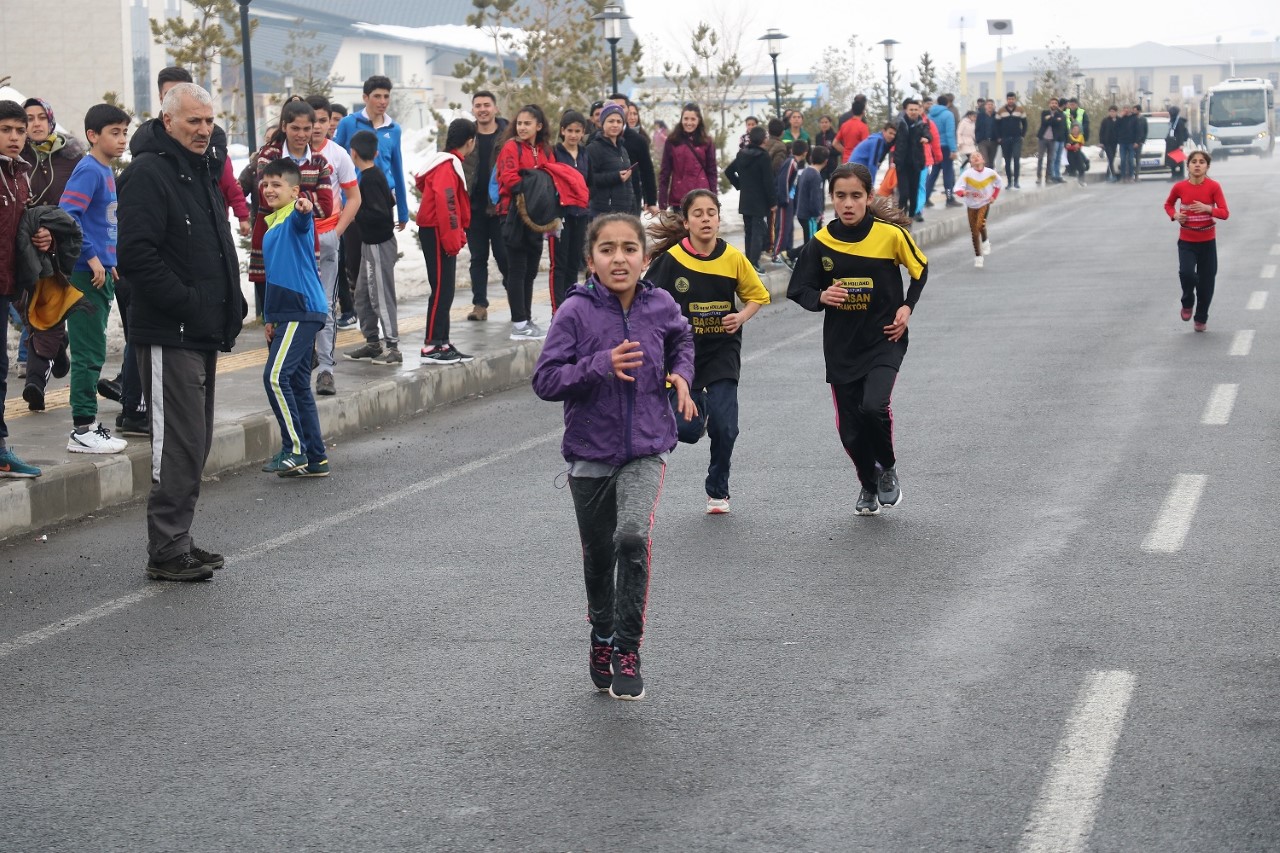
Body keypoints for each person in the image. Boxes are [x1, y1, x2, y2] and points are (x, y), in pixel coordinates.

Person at [531, 213, 696, 700]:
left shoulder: (661, 303)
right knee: (600, 557)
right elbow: (546, 380)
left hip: (647, 446)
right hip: (589, 454)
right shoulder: (575, 312)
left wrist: (682, 373)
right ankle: (601, 636)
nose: (619, 257)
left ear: (645, 259)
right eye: (608, 249)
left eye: (629, 248)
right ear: (591, 260)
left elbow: (683, 337)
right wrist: (600, 365)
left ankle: (627, 645)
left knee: (631, 536)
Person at [117, 83, 246, 581]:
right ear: (167, 121)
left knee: (195, 440)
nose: (204, 129)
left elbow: (212, 246)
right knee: (177, 442)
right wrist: (189, 303)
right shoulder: (148, 173)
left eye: (209, 120)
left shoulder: (199, 169)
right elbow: (136, 256)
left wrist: (226, 306)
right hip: (170, 331)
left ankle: (179, 540)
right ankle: (167, 548)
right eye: (193, 120)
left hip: (202, 330)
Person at [785, 163, 928, 516]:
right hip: (841, 347)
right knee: (850, 429)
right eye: (840, 197)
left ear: (868, 197)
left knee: (873, 406)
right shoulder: (821, 242)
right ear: (831, 199)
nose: (847, 204)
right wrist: (820, 297)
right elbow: (798, 287)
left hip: (884, 338)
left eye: (855, 196)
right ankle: (868, 483)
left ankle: (888, 468)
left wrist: (907, 308)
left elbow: (920, 268)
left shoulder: (890, 235)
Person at [647, 190, 770, 514]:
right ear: (686, 221)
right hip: (681, 356)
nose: (705, 218)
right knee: (686, 430)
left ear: (718, 218)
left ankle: (718, 489)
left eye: (711, 212)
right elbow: (645, 301)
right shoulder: (671, 260)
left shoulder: (733, 257)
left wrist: (741, 315)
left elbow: (758, 295)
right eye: (698, 213)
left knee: (725, 426)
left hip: (721, 351)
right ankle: (697, 402)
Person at [56, 103, 132, 453]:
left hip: (100, 271)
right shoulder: (89, 170)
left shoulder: (103, 170)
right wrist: (91, 256)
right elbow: (67, 216)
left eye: (124, 132)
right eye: (114, 133)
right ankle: (82, 429)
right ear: (92, 136)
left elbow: (101, 224)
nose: (121, 139)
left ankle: (87, 426)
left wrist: (109, 259)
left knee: (94, 349)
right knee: (88, 351)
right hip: (86, 274)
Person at [258, 158, 329, 478]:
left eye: (277, 184)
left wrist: (305, 207)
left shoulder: (295, 218)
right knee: (298, 384)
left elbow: (304, 218)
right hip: (287, 313)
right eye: (266, 183)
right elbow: (275, 276)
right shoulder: (273, 225)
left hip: (302, 310)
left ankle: (294, 449)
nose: (269, 189)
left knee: (275, 377)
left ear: (294, 190)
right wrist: (270, 319)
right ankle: (316, 458)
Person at [0, 100, 51, 479]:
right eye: (6, 130)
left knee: (0, 369)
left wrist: (43, 236)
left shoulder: (20, 175)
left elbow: (22, 228)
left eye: (20, 130)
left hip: (7, 287)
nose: (15, 137)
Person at [17, 97, 82, 392]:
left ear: (51, 120)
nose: (36, 123)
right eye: (29, 118)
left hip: (63, 248)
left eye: (41, 117)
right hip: (24, 246)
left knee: (44, 310)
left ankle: (34, 383)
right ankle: (57, 347)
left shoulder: (72, 157)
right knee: (31, 310)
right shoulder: (18, 159)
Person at [249, 99, 334, 323]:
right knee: (274, 321)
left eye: (307, 128)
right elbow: (266, 198)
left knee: (303, 315)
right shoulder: (269, 156)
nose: (301, 134)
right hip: (271, 246)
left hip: (303, 248)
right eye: (295, 128)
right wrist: (306, 197)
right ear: (284, 127)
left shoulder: (319, 162)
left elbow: (325, 206)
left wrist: (287, 194)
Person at [305, 95, 361, 398]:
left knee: (325, 307)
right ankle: (301, 364)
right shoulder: (290, 155)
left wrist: (337, 232)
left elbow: (355, 198)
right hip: (297, 245)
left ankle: (326, 370)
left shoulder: (338, 155)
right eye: (312, 121)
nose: (316, 127)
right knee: (299, 307)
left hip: (327, 241)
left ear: (331, 123)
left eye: (323, 121)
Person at [415, 118, 477, 365]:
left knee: (445, 288)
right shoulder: (447, 166)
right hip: (437, 230)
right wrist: (453, 238)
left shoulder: (446, 161)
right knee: (442, 288)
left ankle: (442, 340)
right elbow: (447, 202)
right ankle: (432, 345)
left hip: (436, 229)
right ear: (470, 142)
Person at [495, 104, 555, 342]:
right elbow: (509, 179)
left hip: (537, 219)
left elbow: (552, 175)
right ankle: (518, 322)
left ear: (539, 126)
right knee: (517, 269)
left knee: (531, 270)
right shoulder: (511, 147)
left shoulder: (545, 150)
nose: (522, 127)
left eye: (527, 123)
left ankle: (527, 318)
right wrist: (535, 185)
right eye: (519, 123)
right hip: (512, 215)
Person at [343, 130, 400, 363]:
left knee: (381, 296)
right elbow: (389, 202)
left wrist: (355, 213)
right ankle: (372, 342)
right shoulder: (371, 176)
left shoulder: (370, 178)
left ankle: (393, 347)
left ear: (352, 153)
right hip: (369, 243)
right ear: (376, 153)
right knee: (363, 295)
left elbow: (378, 213)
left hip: (379, 244)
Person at [332, 75, 409, 233]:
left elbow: (397, 169)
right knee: (354, 255)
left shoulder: (394, 129)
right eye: (377, 96)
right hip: (352, 201)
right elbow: (334, 162)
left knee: (382, 253)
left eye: (386, 96)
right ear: (365, 97)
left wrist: (403, 211)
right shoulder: (348, 123)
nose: (383, 101)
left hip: (382, 203)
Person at [1163, 150, 1228, 332]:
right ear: (1188, 166)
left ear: (1207, 166)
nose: (1197, 165)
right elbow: (1168, 205)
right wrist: (1175, 215)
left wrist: (1208, 209)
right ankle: (1187, 301)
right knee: (1187, 274)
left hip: (1208, 243)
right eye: (1194, 162)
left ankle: (1200, 318)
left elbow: (1224, 213)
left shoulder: (1214, 187)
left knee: (1207, 283)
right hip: (1187, 241)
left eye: (1201, 162)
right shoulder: (1179, 187)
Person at [459, 91, 508, 322]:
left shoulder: (507, 134)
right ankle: (479, 304)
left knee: (504, 256)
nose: (482, 109)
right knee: (478, 258)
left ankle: (516, 299)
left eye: (487, 105)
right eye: (478, 105)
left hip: (499, 209)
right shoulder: (466, 135)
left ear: (495, 108)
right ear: (473, 110)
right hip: (474, 208)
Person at [551, 110, 590, 313]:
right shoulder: (555, 153)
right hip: (562, 214)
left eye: (577, 131)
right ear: (562, 131)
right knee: (560, 261)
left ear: (583, 132)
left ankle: (572, 301)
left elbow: (588, 181)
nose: (573, 135)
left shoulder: (584, 153)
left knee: (574, 260)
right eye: (570, 131)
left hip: (581, 213)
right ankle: (558, 306)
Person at [724, 125, 776, 275]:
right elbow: (768, 181)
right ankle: (754, 262)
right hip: (760, 201)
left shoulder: (742, 154)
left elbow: (729, 171)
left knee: (749, 231)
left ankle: (748, 261)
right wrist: (772, 202)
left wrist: (740, 185)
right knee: (758, 231)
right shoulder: (763, 156)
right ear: (763, 140)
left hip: (746, 199)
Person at [657, 102, 717, 211]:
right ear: (681, 120)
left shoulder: (707, 141)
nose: (689, 123)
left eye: (693, 119)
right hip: (679, 198)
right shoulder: (672, 141)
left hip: (702, 197)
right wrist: (662, 203)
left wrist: (714, 199)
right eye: (686, 119)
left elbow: (712, 172)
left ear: (699, 121)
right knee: (679, 228)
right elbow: (664, 173)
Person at [608, 93, 657, 216]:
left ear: (628, 109)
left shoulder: (638, 140)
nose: (617, 110)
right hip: (604, 201)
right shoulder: (596, 140)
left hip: (631, 199)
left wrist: (650, 201)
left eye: (621, 107)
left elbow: (647, 171)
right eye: (613, 106)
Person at [954, 150, 1003, 268]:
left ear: (983, 160)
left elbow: (999, 183)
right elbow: (957, 188)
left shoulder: (990, 173)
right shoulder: (967, 174)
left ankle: (985, 241)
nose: (975, 158)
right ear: (970, 162)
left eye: (978, 156)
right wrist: (963, 192)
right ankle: (978, 256)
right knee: (974, 232)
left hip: (984, 202)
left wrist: (993, 197)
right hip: (971, 205)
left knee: (979, 225)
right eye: (973, 157)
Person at [586, 102, 635, 219]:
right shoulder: (593, 148)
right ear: (603, 123)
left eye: (619, 121)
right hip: (602, 211)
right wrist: (616, 177)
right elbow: (590, 179)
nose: (615, 125)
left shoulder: (623, 149)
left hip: (624, 211)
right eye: (611, 121)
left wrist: (632, 204)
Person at [788, 145, 828, 264]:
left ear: (810, 157)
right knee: (812, 244)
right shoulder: (816, 176)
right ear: (826, 161)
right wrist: (818, 214)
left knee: (812, 242)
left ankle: (794, 258)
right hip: (810, 216)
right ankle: (789, 255)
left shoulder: (805, 171)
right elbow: (815, 199)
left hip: (802, 213)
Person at [772, 138, 806, 263]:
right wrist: (784, 199)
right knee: (782, 228)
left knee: (789, 228)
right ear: (805, 152)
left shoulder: (795, 163)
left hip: (790, 200)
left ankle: (787, 253)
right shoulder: (791, 162)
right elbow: (783, 181)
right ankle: (777, 254)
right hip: (785, 200)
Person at [894, 99, 929, 220]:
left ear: (919, 111)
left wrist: (926, 138)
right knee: (904, 194)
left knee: (914, 194)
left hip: (916, 163)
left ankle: (912, 216)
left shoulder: (921, 124)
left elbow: (928, 134)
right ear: (905, 110)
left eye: (916, 110)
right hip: (902, 164)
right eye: (911, 110)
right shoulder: (899, 123)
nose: (913, 112)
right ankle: (901, 217)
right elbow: (890, 139)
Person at [926, 94, 961, 207]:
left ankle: (925, 198)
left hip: (933, 146)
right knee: (948, 173)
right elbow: (950, 133)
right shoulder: (948, 114)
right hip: (945, 147)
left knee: (934, 173)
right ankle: (949, 198)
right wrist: (953, 149)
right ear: (948, 103)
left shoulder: (929, 115)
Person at [995, 92, 1026, 189]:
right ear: (1006, 99)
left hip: (1017, 138)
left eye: (1012, 99)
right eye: (1009, 99)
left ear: (1015, 99)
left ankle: (1016, 181)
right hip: (1005, 139)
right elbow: (996, 125)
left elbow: (1025, 124)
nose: (1011, 101)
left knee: (1016, 158)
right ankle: (1009, 182)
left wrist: (1022, 135)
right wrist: (999, 137)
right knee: (1007, 161)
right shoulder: (1001, 111)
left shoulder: (1020, 110)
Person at [1036, 97, 1066, 185]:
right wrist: (1053, 120)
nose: (1054, 105)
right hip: (1042, 138)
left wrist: (1051, 119)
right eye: (1052, 103)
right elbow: (1044, 122)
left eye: (1056, 103)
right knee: (1040, 158)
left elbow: (1057, 124)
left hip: (1053, 139)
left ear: (1057, 105)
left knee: (1050, 159)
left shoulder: (1060, 114)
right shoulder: (1044, 112)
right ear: (1049, 104)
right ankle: (1038, 177)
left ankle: (1048, 177)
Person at [832, 97, 869, 163]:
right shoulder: (863, 127)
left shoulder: (845, 125)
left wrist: (845, 151)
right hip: (858, 161)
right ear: (863, 112)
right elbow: (866, 146)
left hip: (846, 160)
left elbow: (835, 143)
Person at [1062, 97, 1089, 176]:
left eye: (1073, 104)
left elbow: (1086, 124)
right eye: (1070, 104)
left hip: (1078, 136)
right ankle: (1069, 169)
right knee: (1068, 153)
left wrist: (1083, 134)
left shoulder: (1081, 112)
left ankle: (1081, 165)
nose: (1072, 106)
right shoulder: (1065, 112)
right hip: (1068, 136)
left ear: (1077, 105)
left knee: (1077, 151)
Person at [1165, 105, 1190, 180]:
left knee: (1179, 160)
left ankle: (1180, 175)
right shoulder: (1172, 121)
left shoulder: (1179, 122)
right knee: (1172, 161)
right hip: (1171, 143)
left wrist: (1181, 144)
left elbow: (1181, 134)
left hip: (1177, 144)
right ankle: (1174, 175)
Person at [975, 99, 999, 172]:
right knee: (985, 160)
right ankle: (984, 177)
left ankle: (990, 177)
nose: (990, 106)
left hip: (993, 141)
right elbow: (977, 128)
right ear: (985, 106)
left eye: (991, 104)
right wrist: (978, 139)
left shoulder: (997, 115)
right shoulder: (980, 115)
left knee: (991, 161)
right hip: (982, 141)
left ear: (994, 106)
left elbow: (1000, 127)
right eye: (988, 104)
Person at [1117, 105, 1139, 183]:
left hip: (1131, 142)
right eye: (1124, 108)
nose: (1126, 110)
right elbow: (1116, 127)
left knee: (1130, 160)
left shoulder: (1134, 118)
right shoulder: (1120, 118)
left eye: (1127, 108)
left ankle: (1130, 176)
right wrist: (1120, 117)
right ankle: (1123, 177)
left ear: (1130, 110)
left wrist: (1137, 141)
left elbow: (1137, 130)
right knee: (1123, 160)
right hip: (1122, 142)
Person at [1099, 105, 1120, 182]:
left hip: (1115, 143)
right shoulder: (1105, 120)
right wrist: (1101, 142)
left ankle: (1107, 174)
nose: (1112, 113)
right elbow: (1101, 132)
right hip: (1107, 142)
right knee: (1110, 158)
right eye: (1110, 111)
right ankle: (1113, 175)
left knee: (1112, 159)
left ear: (1116, 112)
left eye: (1113, 111)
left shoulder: (1119, 120)